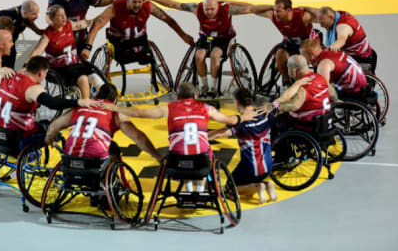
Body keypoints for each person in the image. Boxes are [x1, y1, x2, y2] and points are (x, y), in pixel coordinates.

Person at [101, 81, 255, 192]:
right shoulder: (206, 108)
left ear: (177, 96)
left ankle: (188, 190)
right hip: (201, 160)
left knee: (182, 151)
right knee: (204, 152)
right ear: (195, 95)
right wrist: (243, 117)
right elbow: (230, 120)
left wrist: (113, 107)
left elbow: (137, 113)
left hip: (177, 161)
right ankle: (200, 190)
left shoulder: (168, 108)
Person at [149, 0, 256, 97]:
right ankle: (204, 86)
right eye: (207, 9)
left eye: (212, 9)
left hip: (225, 38)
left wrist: (231, 1)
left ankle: (214, 89)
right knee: (199, 56)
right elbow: (174, 5)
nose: (209, 12)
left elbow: (251, 8)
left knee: (215, 55)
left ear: (218, 6)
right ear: (203, 7)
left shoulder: (227, 9)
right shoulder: (196, 9)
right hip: (206, 37)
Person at [0, 56, 98, 145]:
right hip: (19, 135)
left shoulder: (7, 77)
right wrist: (79, 102)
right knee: (53, 129)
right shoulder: (32, 88)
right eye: (46, 73)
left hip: (0, 131)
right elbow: (53, 103)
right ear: (41, 73)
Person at [44, 83, 163, 163]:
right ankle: (119, 184)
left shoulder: (81, 107)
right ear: (115, 100)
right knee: (114, 148)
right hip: (95, 159)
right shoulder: (115, 112)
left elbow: (54, 126)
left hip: (70, 157)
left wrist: (49, 141)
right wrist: (157, 155)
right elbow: (138, 137)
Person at [223, 0, 320, 85]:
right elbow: (252, 9)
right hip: (290, 43)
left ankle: (310, 81)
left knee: (302, 62)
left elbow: (321, 15)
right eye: (274, 10)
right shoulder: (273, 16)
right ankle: (288, 81)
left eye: (279, 11)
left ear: (289, 10)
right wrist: (271, 7)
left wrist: (306, 7)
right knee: (280, 54)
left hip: (307, 44)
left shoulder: (303, 17)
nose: (275, 14)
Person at [80, 0, 194, 63]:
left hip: (139, 40)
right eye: (134, 2)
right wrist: (87, 48)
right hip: (119, 42)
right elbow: (96, 25)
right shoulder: (115, 8)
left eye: (139, 2)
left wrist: (183, 35)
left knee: (148, 57)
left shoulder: (147, 6)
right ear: (127, 1)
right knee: (123, 57)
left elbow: (168, 20)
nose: (137, 5)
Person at [208, 88, 277, 205]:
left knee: (229, 189)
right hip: (269, 166)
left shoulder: (241, 123)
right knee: (253, 175)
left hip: (249, 169)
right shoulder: (265, 113)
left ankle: (257, 187)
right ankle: (267, 184)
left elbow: (219, 133)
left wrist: (201, 136)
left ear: (237, 103)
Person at [27, 4, 103, 99]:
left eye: (64, 14)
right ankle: (85, 105)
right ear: (53, 18)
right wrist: (26, 66)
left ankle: (106, 95)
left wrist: (99, 18)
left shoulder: (69, 25)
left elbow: (84, 23)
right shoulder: (47, 35)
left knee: (94, 74)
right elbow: (36, 52)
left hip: (74, 64)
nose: (64, 17)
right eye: (60, 15)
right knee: (83, 78)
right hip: (59, 69)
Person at [260, 55, 337, 134]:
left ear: (293, 71)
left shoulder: (303, 87)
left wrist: (273, 105)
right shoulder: (321, 78)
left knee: (275, 117)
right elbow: (333, 96)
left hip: (306, 125)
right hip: (324, 122)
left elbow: (294, 105)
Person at [48, 0, 115, 53]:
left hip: (82, 38)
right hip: (64, 39)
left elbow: (97, 1)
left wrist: (112, 0)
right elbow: (50, 17)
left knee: (82, 63)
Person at [303, 6, 377, 73]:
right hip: (350, 53)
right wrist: (303, 8)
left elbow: (341, 40)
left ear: (331, 17)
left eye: (322, 23)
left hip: (360, 57)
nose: (321, 26)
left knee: (326, 62)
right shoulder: (334, 16)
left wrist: (331, 47)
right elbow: (318, 12)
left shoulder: (343, 26)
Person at [0, 0, 44, 68]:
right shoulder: (8, 14)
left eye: (37, 13)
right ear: (25, 13)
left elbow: (29, 22)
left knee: (10, 56)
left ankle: (7, 74)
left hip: (7, 42)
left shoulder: (25, 13)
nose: (37, 17)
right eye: (34, 14)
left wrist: (38, 31)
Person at [300, 38, 368, 98]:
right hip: (361, 82)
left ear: (312, 55)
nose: (301, 57)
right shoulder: (330, 50)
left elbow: (324, 89)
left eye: (303, 55)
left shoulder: (323, 64)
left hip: (353, 90)